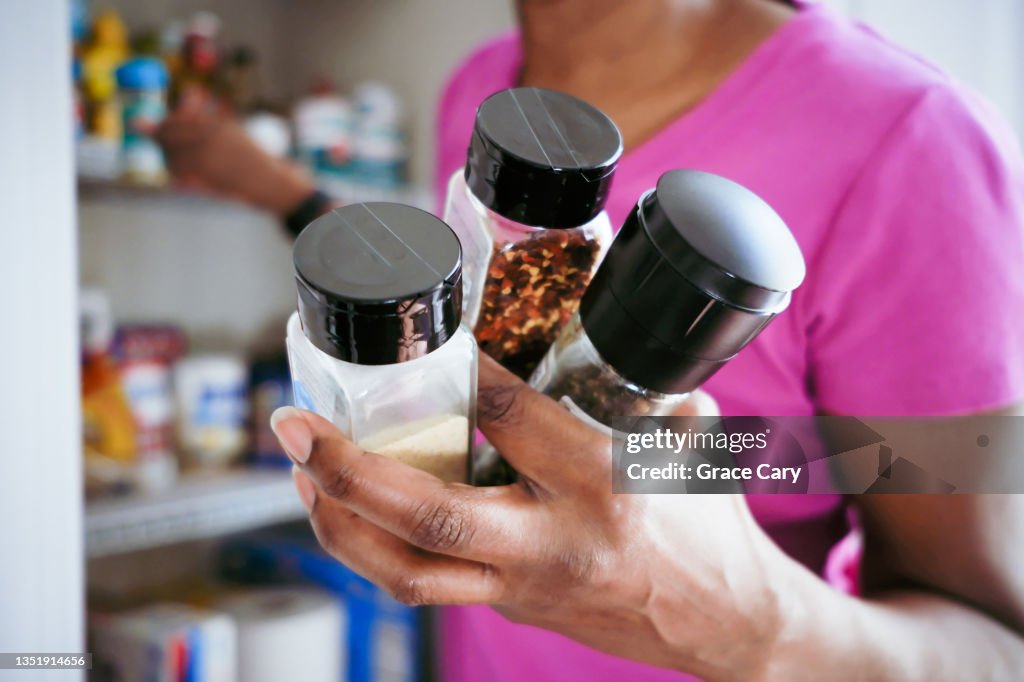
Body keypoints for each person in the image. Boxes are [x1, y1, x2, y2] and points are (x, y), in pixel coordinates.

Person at [155, 0, 1024, 678]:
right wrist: (291, 199)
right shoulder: (484, 86)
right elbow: (460, 304)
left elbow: (996, 648)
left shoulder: (913, 141)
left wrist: (748, 625)